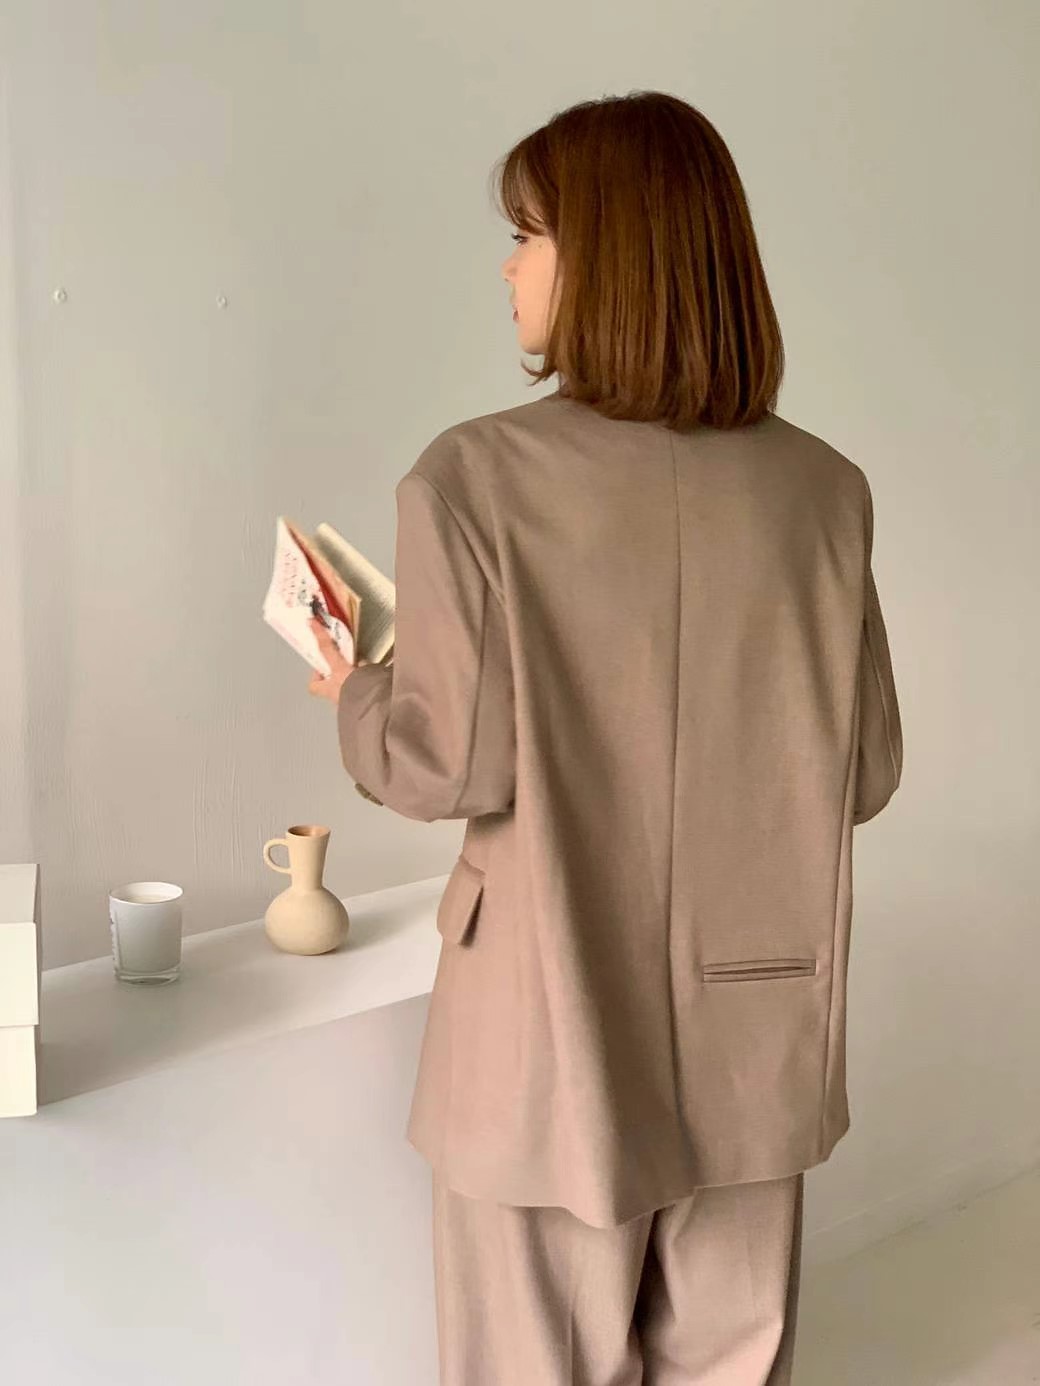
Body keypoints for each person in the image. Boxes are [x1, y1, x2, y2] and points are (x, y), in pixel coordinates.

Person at [308, 89, 903, 1386]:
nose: (509, 265)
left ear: (609, 254)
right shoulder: (825, 492)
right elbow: (862, 768)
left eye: (529, 233)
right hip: (757, 1024)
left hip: (548, 1026)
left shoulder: (472, 480)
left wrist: (355, 684)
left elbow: (442, 762)